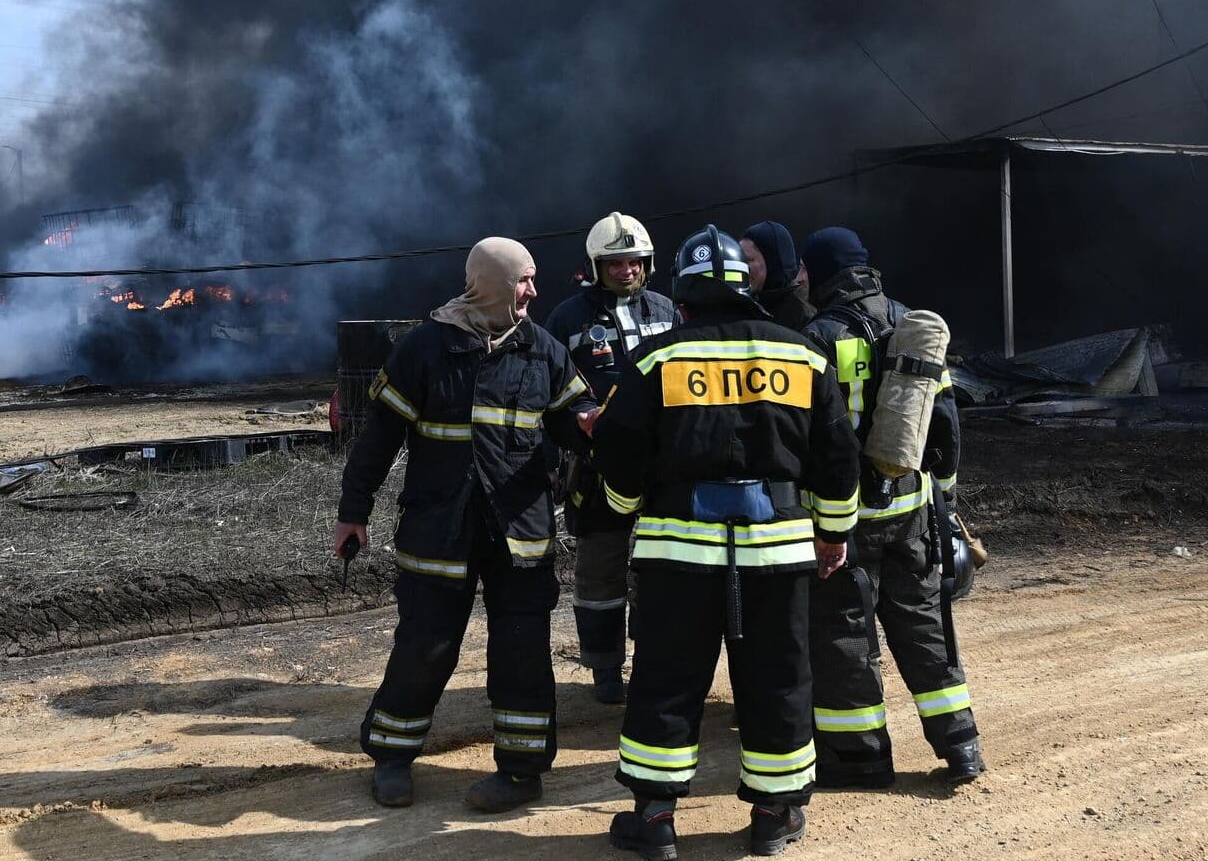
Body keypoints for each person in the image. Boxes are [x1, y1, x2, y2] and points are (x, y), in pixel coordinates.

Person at [591, 224, 860, 858]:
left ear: (681, 300)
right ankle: (774, 815)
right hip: (779, 552)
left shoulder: (657, 359)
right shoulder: (803, 355)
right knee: (779, 676)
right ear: (750, 288)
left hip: (676, 556)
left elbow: (619, 446)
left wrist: (627, 506)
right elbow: (837, 455)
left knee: (666, 677)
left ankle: (655, 820)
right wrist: (833, 532)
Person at [333, 237, 599, 812]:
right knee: (425, 646)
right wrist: (354, 512)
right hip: (438, 531)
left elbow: (573, 425)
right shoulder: (425, 348)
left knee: (522, 650)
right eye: (523, 280)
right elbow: (379, 438)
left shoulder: (544, 350)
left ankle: (522, 772)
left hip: (520, 530)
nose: (532, 291)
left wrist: (591, 427)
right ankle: (393, 757)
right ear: (492, 283)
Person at [798, 227, 984, 788]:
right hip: (912, 511)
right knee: (926, 627)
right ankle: (962, 747)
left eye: (807, 269)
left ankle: (860, 763)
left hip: (845, 518)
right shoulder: (911, 325)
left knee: (844, 637)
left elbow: (815, 437)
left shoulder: (817, 337)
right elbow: (946, 423)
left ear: (825, 271)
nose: (800, 279)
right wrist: (943, 495)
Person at [542, 212, 679, 704]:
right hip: (596, 464)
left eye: (634, 262)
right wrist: (578, 414)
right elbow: (549, 384)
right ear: (595, 266)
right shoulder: (568, 317)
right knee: (600, 566)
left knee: (661, 562)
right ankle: (603, 667)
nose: (626, 271)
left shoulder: (668, 310)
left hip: (662, 464)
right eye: (614, 263)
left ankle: (655, 658)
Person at [741, 220, 816, 330]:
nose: (741, 267)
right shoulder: (747, 305)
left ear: (772, 263)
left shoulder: (804, 314)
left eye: (747, 260)